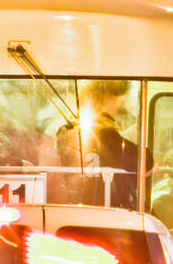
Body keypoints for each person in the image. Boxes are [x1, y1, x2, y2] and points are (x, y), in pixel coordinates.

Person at [57, 79, 148, 210]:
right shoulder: (106, 135)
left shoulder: (64, 132)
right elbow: (145, 160)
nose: (119, 106)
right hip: (104, 209)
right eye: (117, 99)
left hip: (72, 205)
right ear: (106, 99)